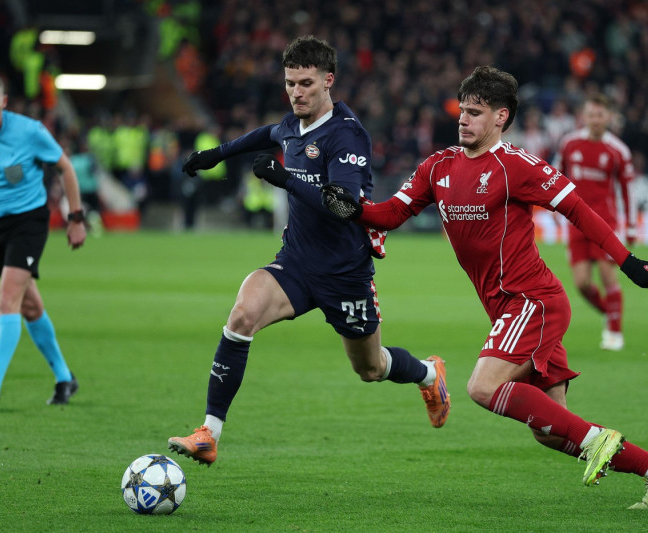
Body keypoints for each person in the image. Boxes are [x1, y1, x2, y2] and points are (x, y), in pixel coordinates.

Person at [321, 66, 648, 510]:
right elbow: (390, 214)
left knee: (482, 386)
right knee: (550, 430)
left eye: (475, 113)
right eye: (462, 110)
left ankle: (598, 440)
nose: (463, 119)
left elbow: (577, 208)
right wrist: (352, 208)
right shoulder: (437, 167)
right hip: (508, 310)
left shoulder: (516, 166)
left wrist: (627, 261)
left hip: (533, 301)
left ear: (501, 117)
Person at [167, 36, 450, 466]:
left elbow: (343, 206)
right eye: (290, 83)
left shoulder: (347, 136)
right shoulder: (292, 125)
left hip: (345, 272)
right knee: (242, 316)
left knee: (370, 368)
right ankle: (209, 433)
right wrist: (217, 155)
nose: (296, 93)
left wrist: (285, 179)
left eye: (305, 83)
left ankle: (429, 374)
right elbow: (268, 133)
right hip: (296, 263)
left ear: (328, 80)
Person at [0, 70, 86, 409]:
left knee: (7, 298)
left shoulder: (29, 131)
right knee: (29, 306)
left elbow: (65, 167)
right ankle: (64, 378)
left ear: (4, 102)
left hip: (29, 221)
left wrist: (76, 218)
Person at [553, 94, 636, 351]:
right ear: (584, 116)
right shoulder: (569, 144)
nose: (595, 120)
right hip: (576, 221)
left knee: (608, 276)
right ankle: (610, 313)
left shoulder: (618, 150)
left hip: (604, 222)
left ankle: (614, 333)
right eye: (591, 114)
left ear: (608, 117)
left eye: (600, 115)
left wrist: (631, 224)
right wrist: (552, 206)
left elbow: (628, 190)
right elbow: (555, 175)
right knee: (581, 283)